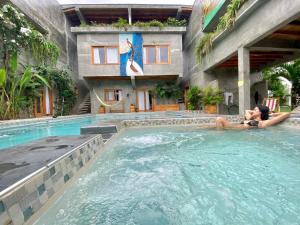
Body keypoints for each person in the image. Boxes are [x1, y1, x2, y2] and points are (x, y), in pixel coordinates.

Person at [216, 105, 290, 129]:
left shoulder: (264, 123)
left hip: (233, 129)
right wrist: (253, 115)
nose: (252, 111)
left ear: (260, 112)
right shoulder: (250, 118)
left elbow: (287, 114)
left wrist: (271, 114)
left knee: (219, 119)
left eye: (255, 110)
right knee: (218, 121)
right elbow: (247, 111)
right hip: (232, 127)